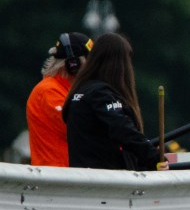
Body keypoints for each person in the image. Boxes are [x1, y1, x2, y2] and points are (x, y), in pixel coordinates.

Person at [62, 32, 161, 171]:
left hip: (85, 177)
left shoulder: (81, 90)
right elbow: (123, 129)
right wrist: (154, 157)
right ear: (119, 64)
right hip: (102, 180)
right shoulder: (99, 93)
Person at [25, 32, 93, 166]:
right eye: (90, 61)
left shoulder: (69, 91)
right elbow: (79, 127)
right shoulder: (48, 90)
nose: (94, 67)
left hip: (67, 177)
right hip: (55, 179)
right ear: (73, 65)